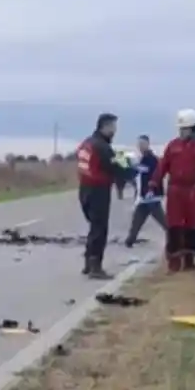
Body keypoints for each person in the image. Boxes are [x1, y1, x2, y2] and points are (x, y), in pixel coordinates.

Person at [148, 109, 195, 273]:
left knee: (193, 226)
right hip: (175, 190)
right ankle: (173, 260)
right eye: (180, 129)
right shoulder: (173, 146)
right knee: (174, 226)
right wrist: (154, 182)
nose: (181, 132)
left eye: (185, 129)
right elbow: (162, 166)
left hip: (193, 190)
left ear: (193, 129)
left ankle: (189, 259)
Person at [77, 113, 125, 279]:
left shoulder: (87, 143)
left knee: (94, 227)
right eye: (113, 127)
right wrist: (131, 169)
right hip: (98, 190)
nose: (115, 130)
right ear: (105, 126)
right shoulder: (102, 146)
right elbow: (118, 167)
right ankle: (95, 266)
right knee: (99, 228)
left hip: (84, 189)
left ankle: (88, 264)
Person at [124, 135, 166, 248]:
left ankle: (175, 238)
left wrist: (152, 189)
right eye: (139, 144)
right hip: (143, 197)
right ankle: (129, 241)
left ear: (148, 144)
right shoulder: (141, 159)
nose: (140, 146)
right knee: (137, 220)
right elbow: (135, 174)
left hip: (152, 196)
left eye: (142, 144)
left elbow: (155, 175)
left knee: (163, 221)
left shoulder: (153, 160)